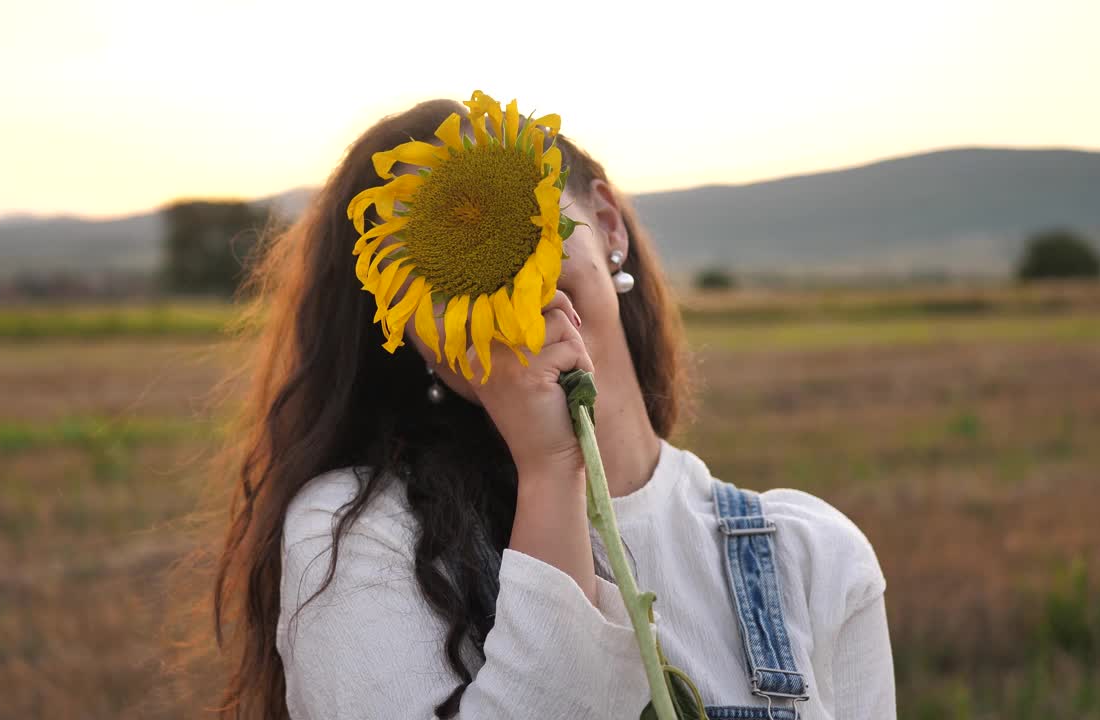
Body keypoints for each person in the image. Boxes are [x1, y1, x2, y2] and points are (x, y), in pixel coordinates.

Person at [209, 97, 895, 719]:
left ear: (606, 224)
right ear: (405, 329)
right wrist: (548, 472)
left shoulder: (813, 560)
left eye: (520, 210)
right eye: (426, 259)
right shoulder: (358, 535)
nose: (492, 261)